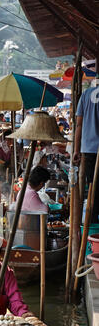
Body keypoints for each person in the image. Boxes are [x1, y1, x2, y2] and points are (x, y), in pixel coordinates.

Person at [73, 81, 99, 223]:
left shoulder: (85, 94)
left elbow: (79, 124)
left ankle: (93, 224)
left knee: (92, 189)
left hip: (88, 150)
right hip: (92, 150)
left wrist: (76, 149)